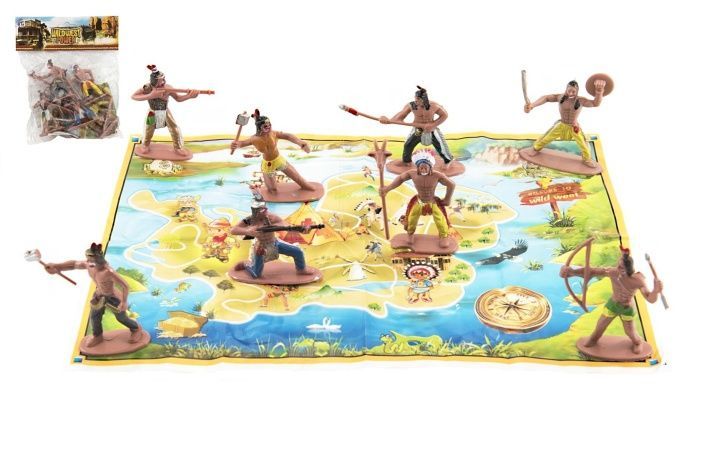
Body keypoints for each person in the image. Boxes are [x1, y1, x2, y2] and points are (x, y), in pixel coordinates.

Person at [559, 247, 663, 354]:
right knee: (600, 326)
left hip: (627, 308)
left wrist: (655, 291)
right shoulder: (613, 272)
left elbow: (650, 299)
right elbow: (593, 271)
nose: (618, 268)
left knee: (630, 332)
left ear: (628, 268)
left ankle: (637, 342)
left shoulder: (638, 280)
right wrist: (572, 272)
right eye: (618, 265)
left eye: (621, 267)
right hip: (613, 304)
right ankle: (593, 340)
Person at [44, 243, 145, 347]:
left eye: (91, 260)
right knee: (94, 317)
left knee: (121, 318)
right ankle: (98, 336)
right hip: (99, 295)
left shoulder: (108, 271)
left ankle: (136, 328)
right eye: (88, 259)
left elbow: (125, 286)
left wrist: (123, 302)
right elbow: (74, 264)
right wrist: (57, 266)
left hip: (113, 298)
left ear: (99, 259)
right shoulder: (89, 265)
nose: (88, 262)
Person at [380, 150, 455, 248]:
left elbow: (451, 184)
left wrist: (447, 199)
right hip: (419, 201)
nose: (423, 170)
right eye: (421, 167)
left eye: (425, 167)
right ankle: (410, 234)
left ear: (430, 166)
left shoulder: (437, 175)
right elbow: (400, 179)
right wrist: (387, 189)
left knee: (441, 221)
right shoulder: (412, 173)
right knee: (411, 220)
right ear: (417, 167)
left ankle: (444, 237)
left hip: (433, 202)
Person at [524, 79, 606, 168]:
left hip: (574, 127)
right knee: (546, 138)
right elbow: (546, 98)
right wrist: (532, 105)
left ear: (577, 91)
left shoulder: (581, 101)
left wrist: (599, 92)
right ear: (566, 89)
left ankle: (586, 159)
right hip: (561, 125)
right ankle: (536, 149)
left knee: (583, 145)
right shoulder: (560, 97)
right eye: (569, 91)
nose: (571, 93)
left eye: (573, 91)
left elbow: (595, 103)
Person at [230, 110, 316, 193]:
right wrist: (236, 145)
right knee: (272, 190)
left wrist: (300, 142)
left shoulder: (274, 134)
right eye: (265, 126)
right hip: (267, 165)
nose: (268, 127)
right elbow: (242, 143)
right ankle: (272, 191)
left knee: (299, 179)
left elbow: (288, 136)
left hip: (279, 160)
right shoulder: (254, 139)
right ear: (259, 127)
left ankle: (309, 189)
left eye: (269, 125)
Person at [231, 197, 314, 278]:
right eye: (260, 209)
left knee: (297, 251)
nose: (264, 211)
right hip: (261, 246)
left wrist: (301, 229)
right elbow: (233, 230)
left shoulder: (271, 217)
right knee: (256, 274)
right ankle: (246, 265)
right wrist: (247, 231)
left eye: (264, 208)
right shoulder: (249, 220)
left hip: (275, 243)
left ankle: (301, 269)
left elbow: (286, 226)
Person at [131, 65, 200, 156]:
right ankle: (145, 145)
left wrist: (189, 96)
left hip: (165, 111)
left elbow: (178, 98)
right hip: (152, 112)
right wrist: (151, 95)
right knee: (149, 130)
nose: (163, 82)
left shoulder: (168, 88)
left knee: (174, 129)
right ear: (153, 81)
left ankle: (178, 147)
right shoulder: (147, 88)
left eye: (164, 79)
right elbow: (134, 96)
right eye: (161, 81)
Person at [379, 86, 454, 168]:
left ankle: (448, 160)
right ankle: (406, 161)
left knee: (441, 146)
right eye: (415, 99)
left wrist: (433, 125)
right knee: (408, 145)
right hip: (417, 129)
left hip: (431, 130)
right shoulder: (412, 105)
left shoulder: (434, 105)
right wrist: (389, 121)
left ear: (424, 99)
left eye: (418, 99)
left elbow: (444, 115)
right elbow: (401, 115)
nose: (416, 101)